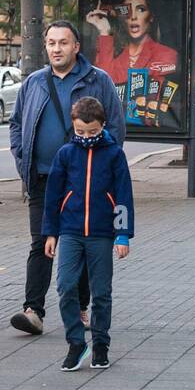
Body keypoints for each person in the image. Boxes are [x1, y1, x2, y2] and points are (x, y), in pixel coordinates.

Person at [8, 20, 125, 337]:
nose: (56, 48)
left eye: (63, 43)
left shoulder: (97, 80)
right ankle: (33, 310)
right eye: (51, 43)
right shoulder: (34, 82)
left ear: (76, 47)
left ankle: (81, 307)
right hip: (43, 178)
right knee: (40, 243)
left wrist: (101, 170)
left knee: (85, 243)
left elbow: (114, 127)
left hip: (84, 181)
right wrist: (23, 163)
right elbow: (17, 126)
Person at [42, 97, 135, 371]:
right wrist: (50, 233)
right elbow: (53, 196)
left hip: (102, 233)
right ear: (73, 127)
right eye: (80, 132)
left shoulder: (114, 153)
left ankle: (101, 343)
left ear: (103, 126)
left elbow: (123, 196)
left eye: (92, 132)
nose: (86, 137)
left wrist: (122, 234)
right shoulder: (66, 153)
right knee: (66, 286)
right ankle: (75, 342)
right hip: (69, 231)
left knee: (101, 292)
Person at [84, 0, 180, 87]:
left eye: (141, 9)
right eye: (127, 10)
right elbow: (104, 83)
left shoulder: (166, 54)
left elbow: (156, 93)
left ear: (151, 16)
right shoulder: (115, 55)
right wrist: (104, 31)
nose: (133, 17)